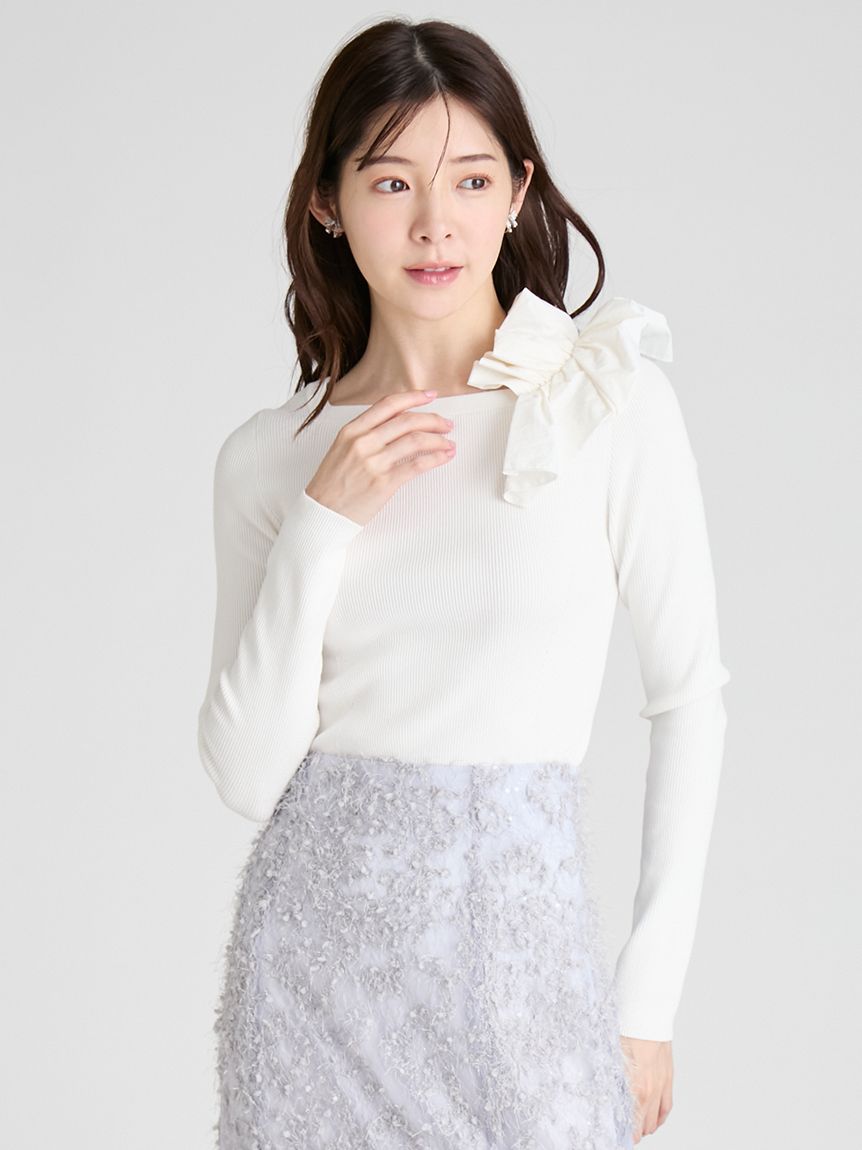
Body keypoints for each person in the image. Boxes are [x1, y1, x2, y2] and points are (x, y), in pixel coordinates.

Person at [197, 17, 730, 1150]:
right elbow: (246, 774)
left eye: (472, 180)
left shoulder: (604, 405)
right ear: (329, 201)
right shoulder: (269, 460)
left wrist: (645, 1005)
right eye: (392, 181)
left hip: (527, 984)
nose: (436, 223)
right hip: (309, 996)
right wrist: (322, 521)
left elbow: (689, 697)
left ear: (518, 192)